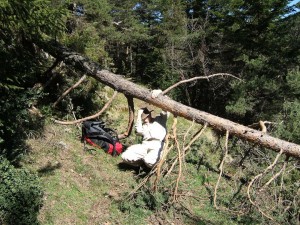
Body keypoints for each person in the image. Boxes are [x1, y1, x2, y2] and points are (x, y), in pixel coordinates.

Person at [121, 90, 169, 168]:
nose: (145, 117)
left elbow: (166, 106)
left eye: (146, 114)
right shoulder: (143, 126)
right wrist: (139, 114)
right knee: (125, 156)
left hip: (158, 145)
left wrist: (158, 92)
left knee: (149, 161)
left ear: (150, 114)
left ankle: (152, 164)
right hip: (145, 145)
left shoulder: (160, 119)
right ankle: (141, 164)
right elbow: (138, 130)